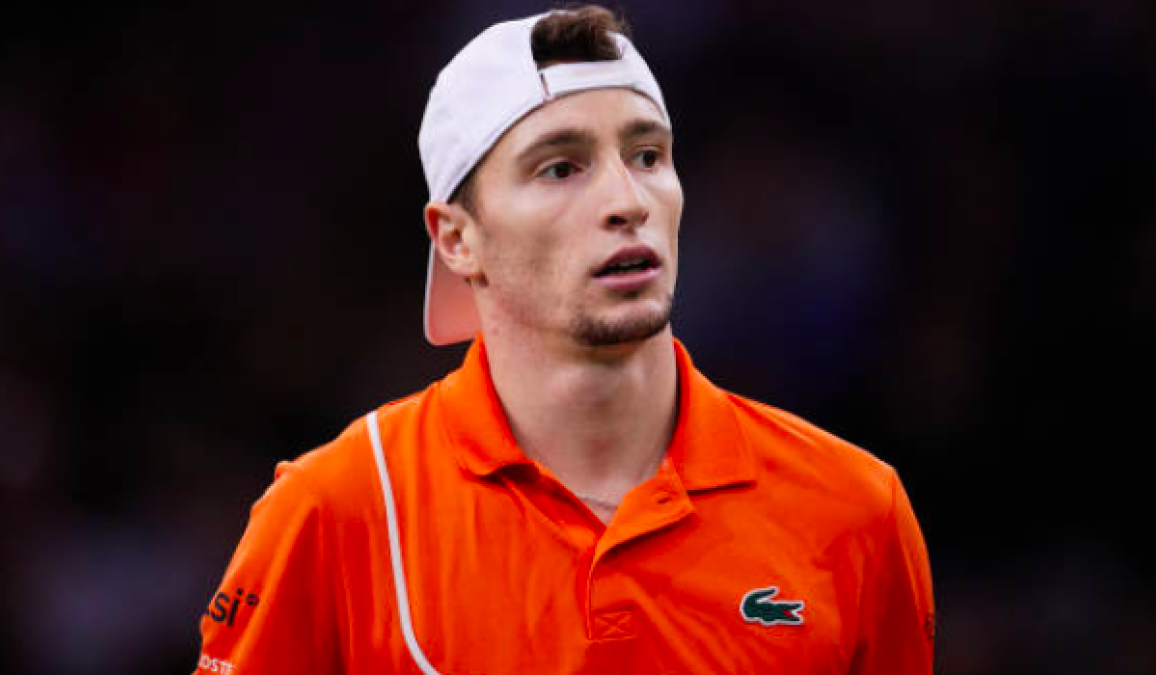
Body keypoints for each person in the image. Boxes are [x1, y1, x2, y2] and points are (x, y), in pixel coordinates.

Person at [193, 6, 935, 674]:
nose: (626, 200)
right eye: (560, 168)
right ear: (456, 239)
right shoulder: (335, 510)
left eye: (647, 155)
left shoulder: (857, 511)